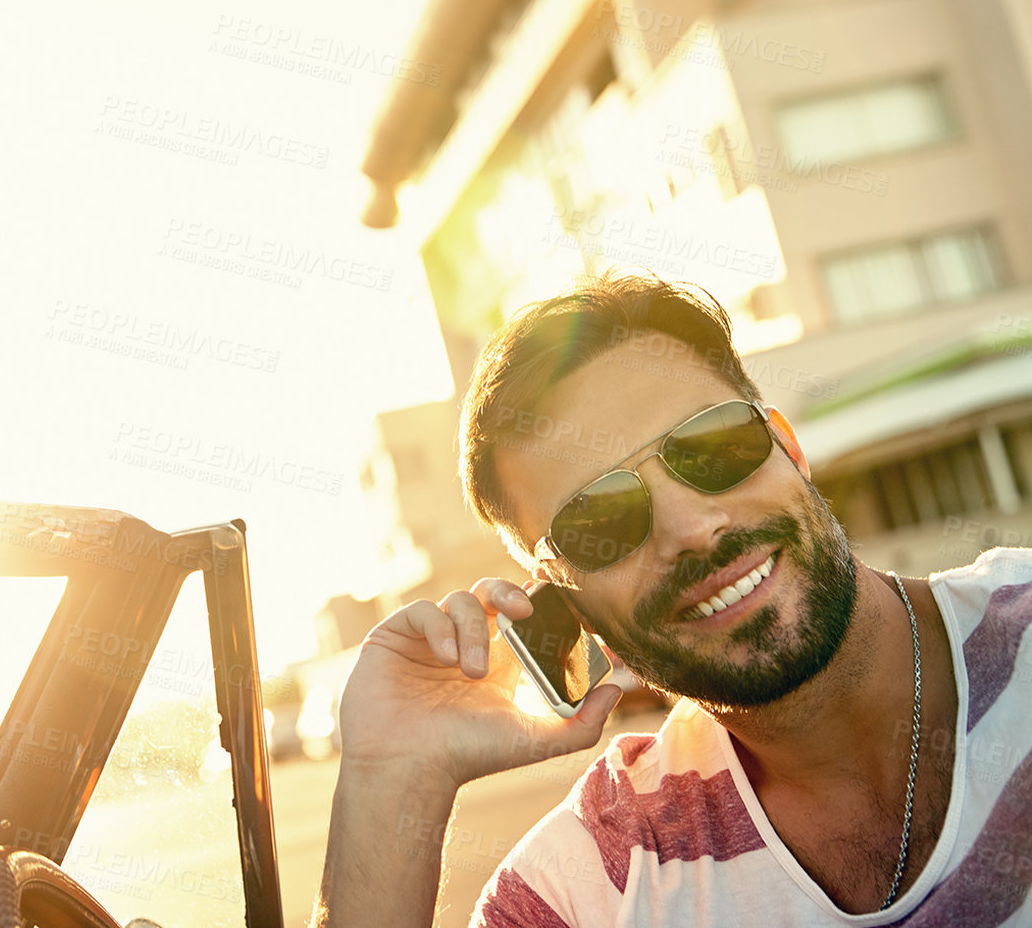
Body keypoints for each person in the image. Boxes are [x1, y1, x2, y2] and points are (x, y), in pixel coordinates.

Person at [313, 275, 1032, 926]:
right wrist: (392, 780)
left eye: (712, 446)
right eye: (601, 523)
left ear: (787, 447)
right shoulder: (589, 888)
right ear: (566, 606)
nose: (691, 529)